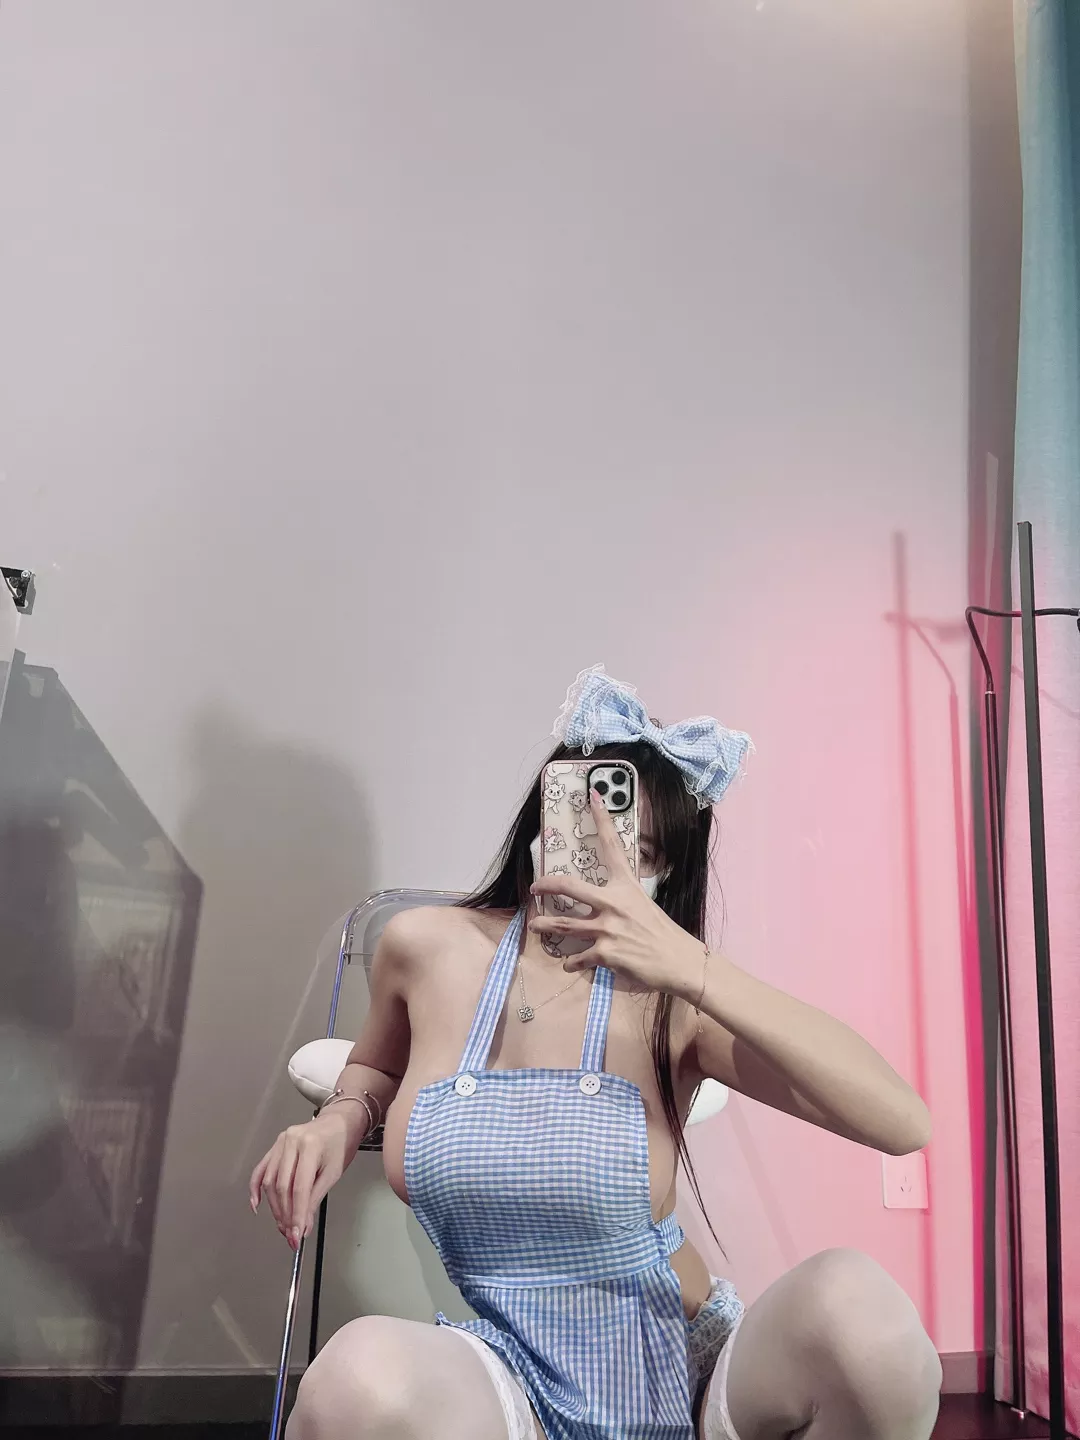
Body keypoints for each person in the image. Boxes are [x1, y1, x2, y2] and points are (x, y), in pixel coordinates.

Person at [250, 667, 942, 1440]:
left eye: (638, 853)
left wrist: (692, 966)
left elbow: (902, 1122)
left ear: (667, 873)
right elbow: (378, 1066)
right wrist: (339, 1121)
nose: (604, 871)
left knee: (865, 1322)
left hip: (690, 1371)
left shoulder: (674, 1000)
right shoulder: (425, 948)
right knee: (353, 1381)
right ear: (542, 823)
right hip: (513, 1377)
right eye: (587, 836)